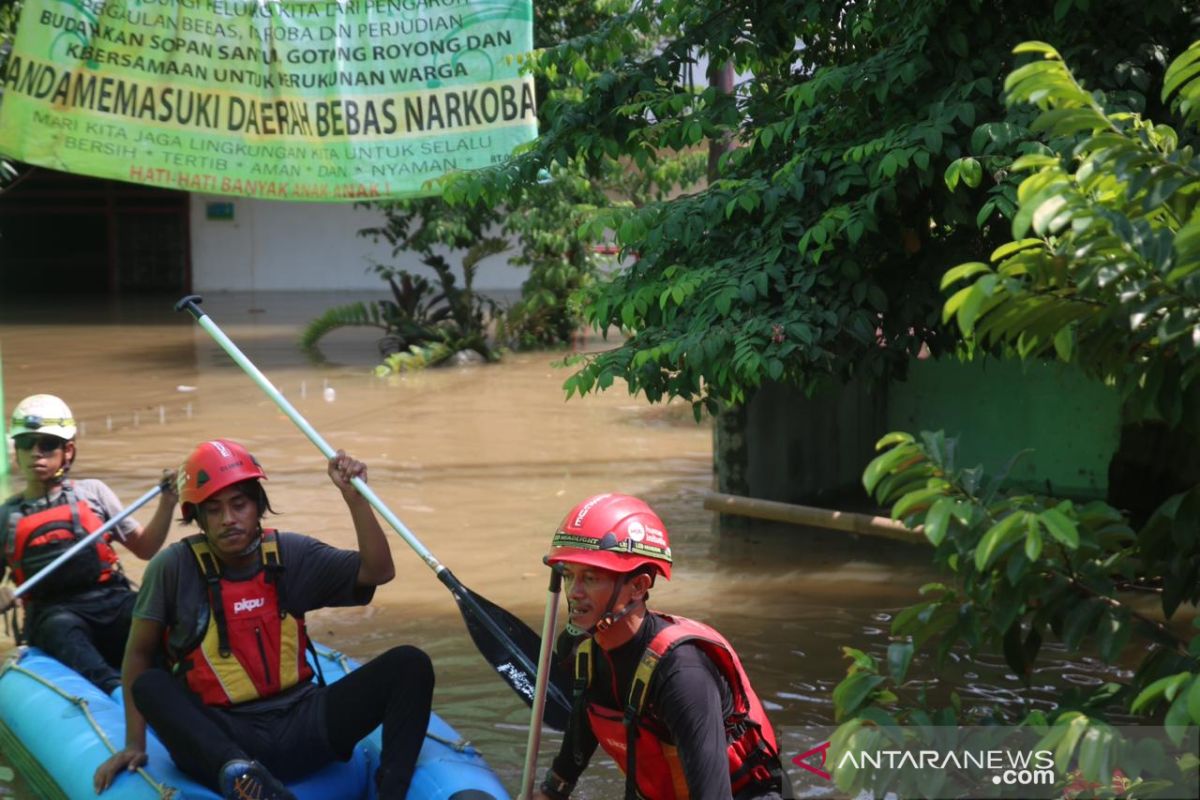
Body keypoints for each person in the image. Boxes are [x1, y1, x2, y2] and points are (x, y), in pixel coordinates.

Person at [93, 438, 434, 800]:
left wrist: (356, 498)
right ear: (197, 517)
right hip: (225, 737)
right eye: (213, 509)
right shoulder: (173, 568)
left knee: (410, 664)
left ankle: (392, 794)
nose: (228, 520)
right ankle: (245, 782)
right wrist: (134, 742)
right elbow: (139, 654)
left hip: (305, 724)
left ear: (257, 505)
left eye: (239, 505)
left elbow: (378, 571)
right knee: (151, 685)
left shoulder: (290, 553)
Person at [534, 493, 791, 800]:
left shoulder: (683, 676)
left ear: (638, 587)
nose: (574, 592)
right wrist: (553, 791)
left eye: (590, 577)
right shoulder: (584, 652)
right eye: (568, 575)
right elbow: (587, 720)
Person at [0, 394, 177, 694]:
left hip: (110, 600)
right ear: (16, 451)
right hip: (53, 613)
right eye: (27, 444)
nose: (36, 454)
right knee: (62, 628)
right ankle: (114, 690)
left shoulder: (93, 492)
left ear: (67, 450)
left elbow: (145, 548)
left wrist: (168, 502)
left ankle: (176, 676)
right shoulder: (7, 516)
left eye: (47, 444)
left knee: (148, 613)